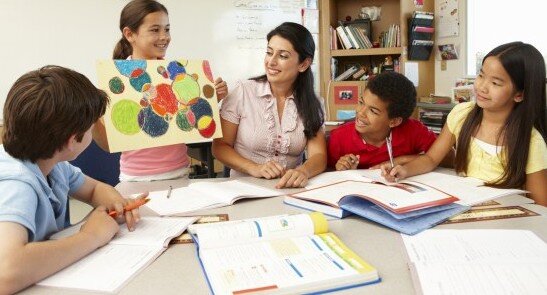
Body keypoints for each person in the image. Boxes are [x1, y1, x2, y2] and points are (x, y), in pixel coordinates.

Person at [0, 66, 144, 293]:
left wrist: (117, 204)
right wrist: (91, 236)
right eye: (92, 128)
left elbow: (94, 189)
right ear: (71, 141)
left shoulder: (53, 164)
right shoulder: (15, 182)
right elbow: (5, 273)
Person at [382, 42, 547, 205]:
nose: (482, 86)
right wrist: (405, 170)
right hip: (464, 206)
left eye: (495, 83)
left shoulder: (531, 141)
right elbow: (432, 158)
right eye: (481, 75)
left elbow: (540, 204)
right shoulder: (462, 114)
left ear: (519, 94)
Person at [93, 0, 228, 182]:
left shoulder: (176, 74)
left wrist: (212, 99)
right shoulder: (114, 81)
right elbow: (109, 144)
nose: (164, 36)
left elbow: (185, 123)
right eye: (155, 30)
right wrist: (91, 118)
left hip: (180, 173)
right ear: (129, 34)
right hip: (135, 178)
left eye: (167, 29)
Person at [212, 22, 327, 188]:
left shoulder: (313, 103)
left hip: (288, 190)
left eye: (283, 56)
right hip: (242, 189)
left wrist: (303, 171)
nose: (271, 62)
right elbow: (220, 147)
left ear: (303, 64)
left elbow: (319, 155)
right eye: (269, 52)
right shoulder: (243, 92)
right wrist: (254, 168)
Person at [328, 71, 438, 171]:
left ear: (394, 121)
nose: (360, 112)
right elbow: (326, 175)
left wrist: (400, 161)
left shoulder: (414, 131)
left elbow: (444, 158)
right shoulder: (339, 138)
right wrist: (341, 170)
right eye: (361, 102)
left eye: (373, 111)